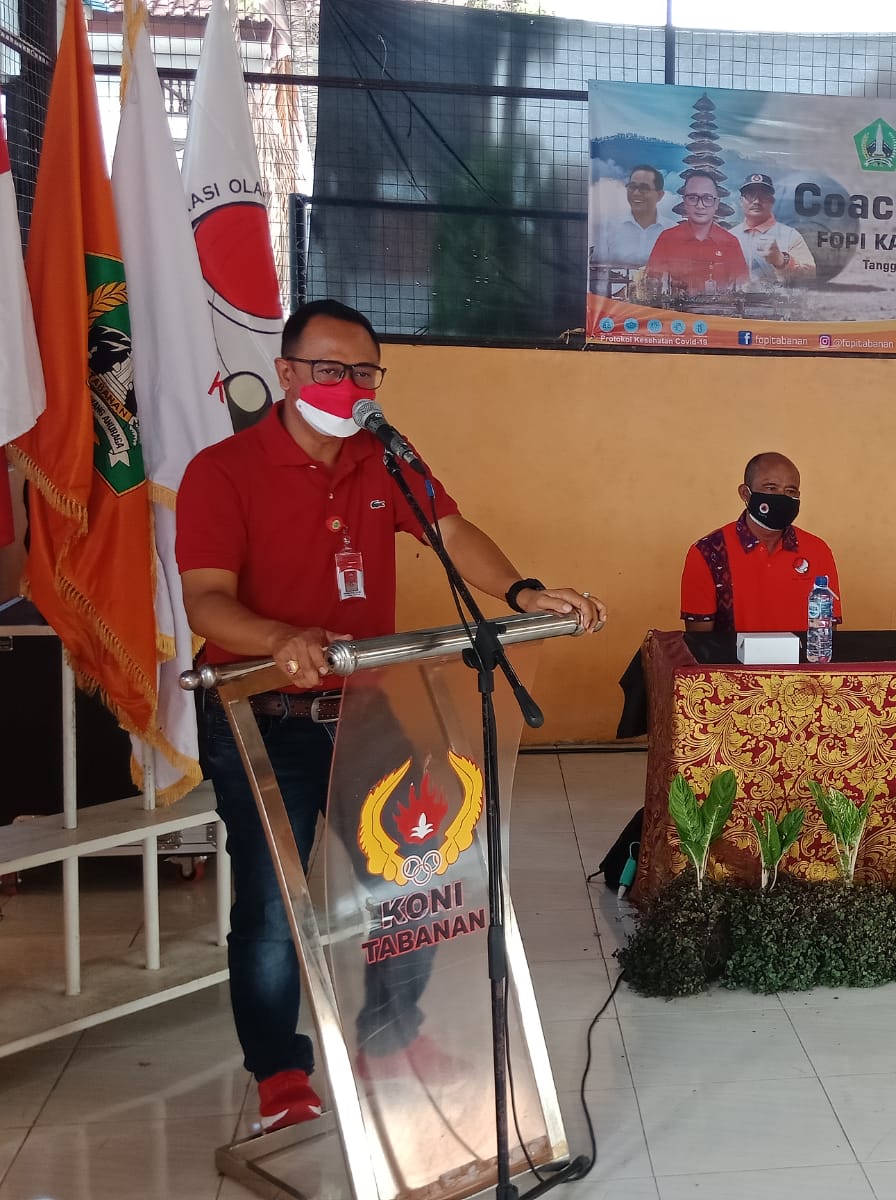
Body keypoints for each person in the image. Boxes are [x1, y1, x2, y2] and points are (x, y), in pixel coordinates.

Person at [176, 299, 605, 1134]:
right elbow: (206, 599)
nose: (349, 385)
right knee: (272, 908)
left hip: (367, 705)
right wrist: (279, 638)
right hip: (262, 715)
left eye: (364, 371)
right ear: (287, 373)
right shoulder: (221, 471)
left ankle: (389, 1035)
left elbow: (451, 531)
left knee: (418, 874)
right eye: (328, 369)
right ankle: (279, 1074)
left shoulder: (384, 458)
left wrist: (520, 592)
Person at [681, 452, 839, 633]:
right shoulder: (708, 552)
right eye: (771, 488)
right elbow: (700, 642)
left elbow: (827, 635)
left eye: (790, 491)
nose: (782, 497)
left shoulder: (818, 551)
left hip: (803, 653)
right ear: (745, 493)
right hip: (734, 653)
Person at [643, 170, 749, 296]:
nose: (700, 205)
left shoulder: (730, 243)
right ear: (684, 201)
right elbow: (651, 284)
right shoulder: (667, 239)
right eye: (692, 198)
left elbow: (743, 288)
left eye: (707, 198)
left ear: (716, 203)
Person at [729, 173, 815, 288]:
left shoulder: (791, 235)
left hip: (778, 299)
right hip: (736, 299)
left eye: (763, 195)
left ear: (772, 201)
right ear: (741, 201)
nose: (756, 201)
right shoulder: (730, 237)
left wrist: (781, 261)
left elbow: (811, 275)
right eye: (750, 195)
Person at [590, 164, 669, 269]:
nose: (636, 193)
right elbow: (597, 269)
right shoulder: (609, 227)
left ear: (659, 195)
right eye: (632, 187)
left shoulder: (673, 230)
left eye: (644, 188)